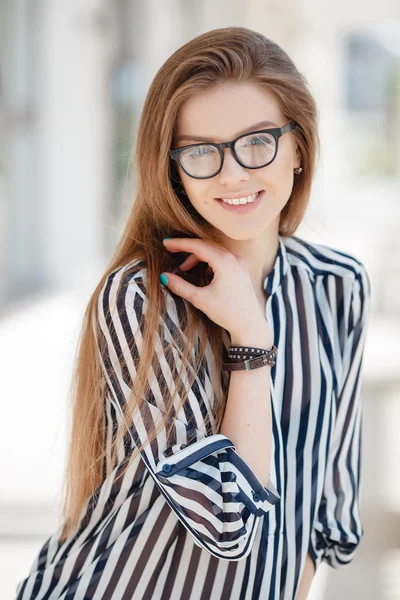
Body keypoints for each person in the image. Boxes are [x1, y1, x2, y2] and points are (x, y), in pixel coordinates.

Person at [15, 26, 371, 600]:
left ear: (300, 145)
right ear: (175, 168)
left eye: (258, 141)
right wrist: (251, 339)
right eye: (202, 152)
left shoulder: (337, 286)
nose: (233, 173)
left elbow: (327, 512)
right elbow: (226, 522)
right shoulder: (140, 297)